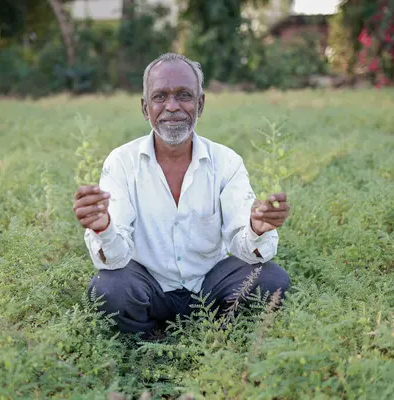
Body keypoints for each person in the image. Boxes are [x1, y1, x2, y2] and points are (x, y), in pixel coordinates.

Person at [72, 53, 291, 336]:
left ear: (200, 105)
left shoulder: (226, 162)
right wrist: (104, 228)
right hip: (150, 288)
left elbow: (244, 246)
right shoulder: (121, 162)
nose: (172, 107)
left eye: (184, 95)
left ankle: (219, 334)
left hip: (209, 287)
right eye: (160, 96)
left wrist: (255, 229)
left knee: (272, 279)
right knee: (109, 287)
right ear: (145, 107)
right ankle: (149, 343)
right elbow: (114, 258)